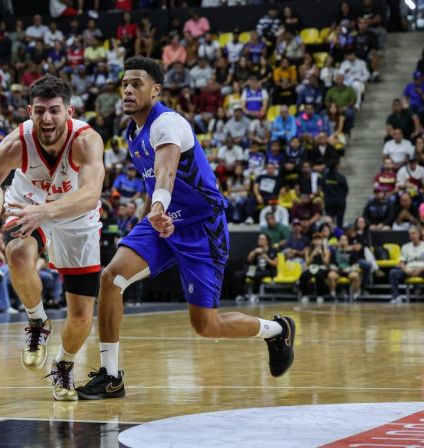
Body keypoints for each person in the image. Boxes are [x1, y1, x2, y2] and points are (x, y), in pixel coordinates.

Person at [74, 57, 296, 401]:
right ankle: (111, 375)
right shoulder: (132, 132)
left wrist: (159, 208)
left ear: (156, 90)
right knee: (111, 277)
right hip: (160, 221)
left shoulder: (168, 123)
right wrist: (149, 216)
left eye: (136, 84)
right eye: (124, 84)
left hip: (199, 228)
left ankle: (277, 330)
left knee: (206, 325)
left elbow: (166, 173)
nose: (128, 90)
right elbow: (152, 184)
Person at [0, 75, 105, 401]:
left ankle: (64, 364)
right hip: (27, 206)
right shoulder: (15, 143)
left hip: (77, 216)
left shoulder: (86, 141)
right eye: (39, 111)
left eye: (54, 110)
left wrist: (47, 211)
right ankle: (38, 321)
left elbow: (92, 195)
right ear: (29, 111)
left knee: (81, 314)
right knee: (18, 254)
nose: (46, 118)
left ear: (70, 111)